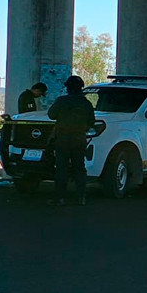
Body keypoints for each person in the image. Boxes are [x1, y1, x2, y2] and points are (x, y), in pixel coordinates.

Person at [47, 75, 95, 206]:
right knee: (79, 168)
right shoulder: (86, 103)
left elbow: (51, 115)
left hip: (62, 139)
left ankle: (60, 198)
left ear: (67, 88)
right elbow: (92, 121)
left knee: (61, 168)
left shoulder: (61, 101)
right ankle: (81, 197)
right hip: (79, 139)